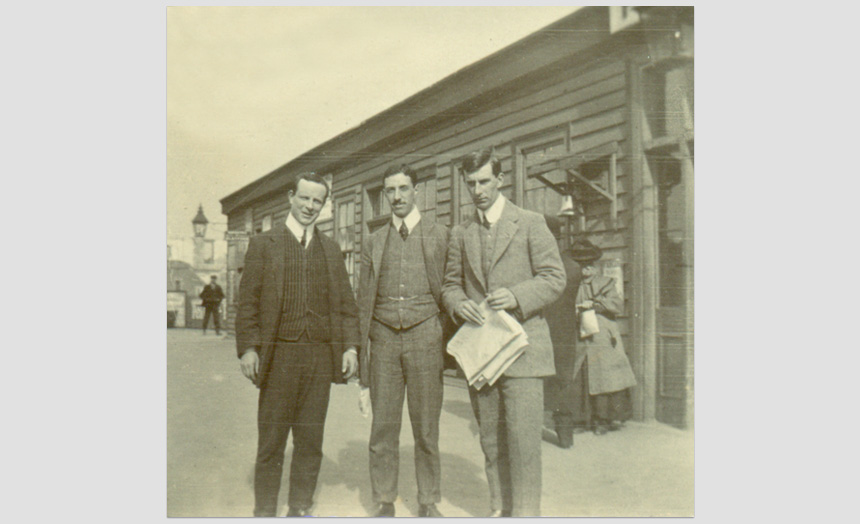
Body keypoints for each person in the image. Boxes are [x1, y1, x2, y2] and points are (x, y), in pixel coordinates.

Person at [441, 148, 565, 517]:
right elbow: (450, 285)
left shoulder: (530, 222)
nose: (477, 189)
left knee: (524, 447)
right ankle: (499, 509)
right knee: (492, 443)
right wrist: (457, 302)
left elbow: (554, 278)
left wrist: (516, 295)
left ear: (500, 179)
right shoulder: (461, 233)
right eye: (471, 183)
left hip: (524, 353)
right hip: (483, 355)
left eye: (483, 181)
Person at [235, 172, 360, 517]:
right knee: (272, 443)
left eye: (317, 201)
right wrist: (248, 348)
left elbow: (348, 307)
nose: (309, 206)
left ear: (324, 205)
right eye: (304, 198)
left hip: (319, 358)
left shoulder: (331, 250)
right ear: (290, 197)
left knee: (310, 442)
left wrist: (350, 347)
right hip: (279, 357)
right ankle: (264, 512)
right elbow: (247, 303)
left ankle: (300, 508)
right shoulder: (264, 245)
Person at [357, 165, 449, 518]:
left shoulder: (440, 234)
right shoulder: (374, 240)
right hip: (382, 339)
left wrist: (438, 330)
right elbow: (363, 299)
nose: (396, 197)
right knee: (384, 426)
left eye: (403, 189)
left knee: (426, 426)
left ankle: (428, 501)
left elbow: (449, 289)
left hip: (426, 335)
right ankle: (384, 499)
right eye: (390, 190)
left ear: (416, 191)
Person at [569, 239, 637, 435]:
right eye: (581, 266)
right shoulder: (571, 284)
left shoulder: (606, 283)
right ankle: (583, 419)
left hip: (603, 335)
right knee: (581, 376)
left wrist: (597, 305)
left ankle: (605, 420)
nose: (585, 271)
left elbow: (618, 305)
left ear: (595, 265)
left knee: (606, 376)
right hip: (581, 335)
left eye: (589, 266)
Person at [542, 217, 583, 449]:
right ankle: (565, 437)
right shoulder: (573, 266)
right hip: (564, 334)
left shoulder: (534, 265)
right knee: (563, 383)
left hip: (538, 331)